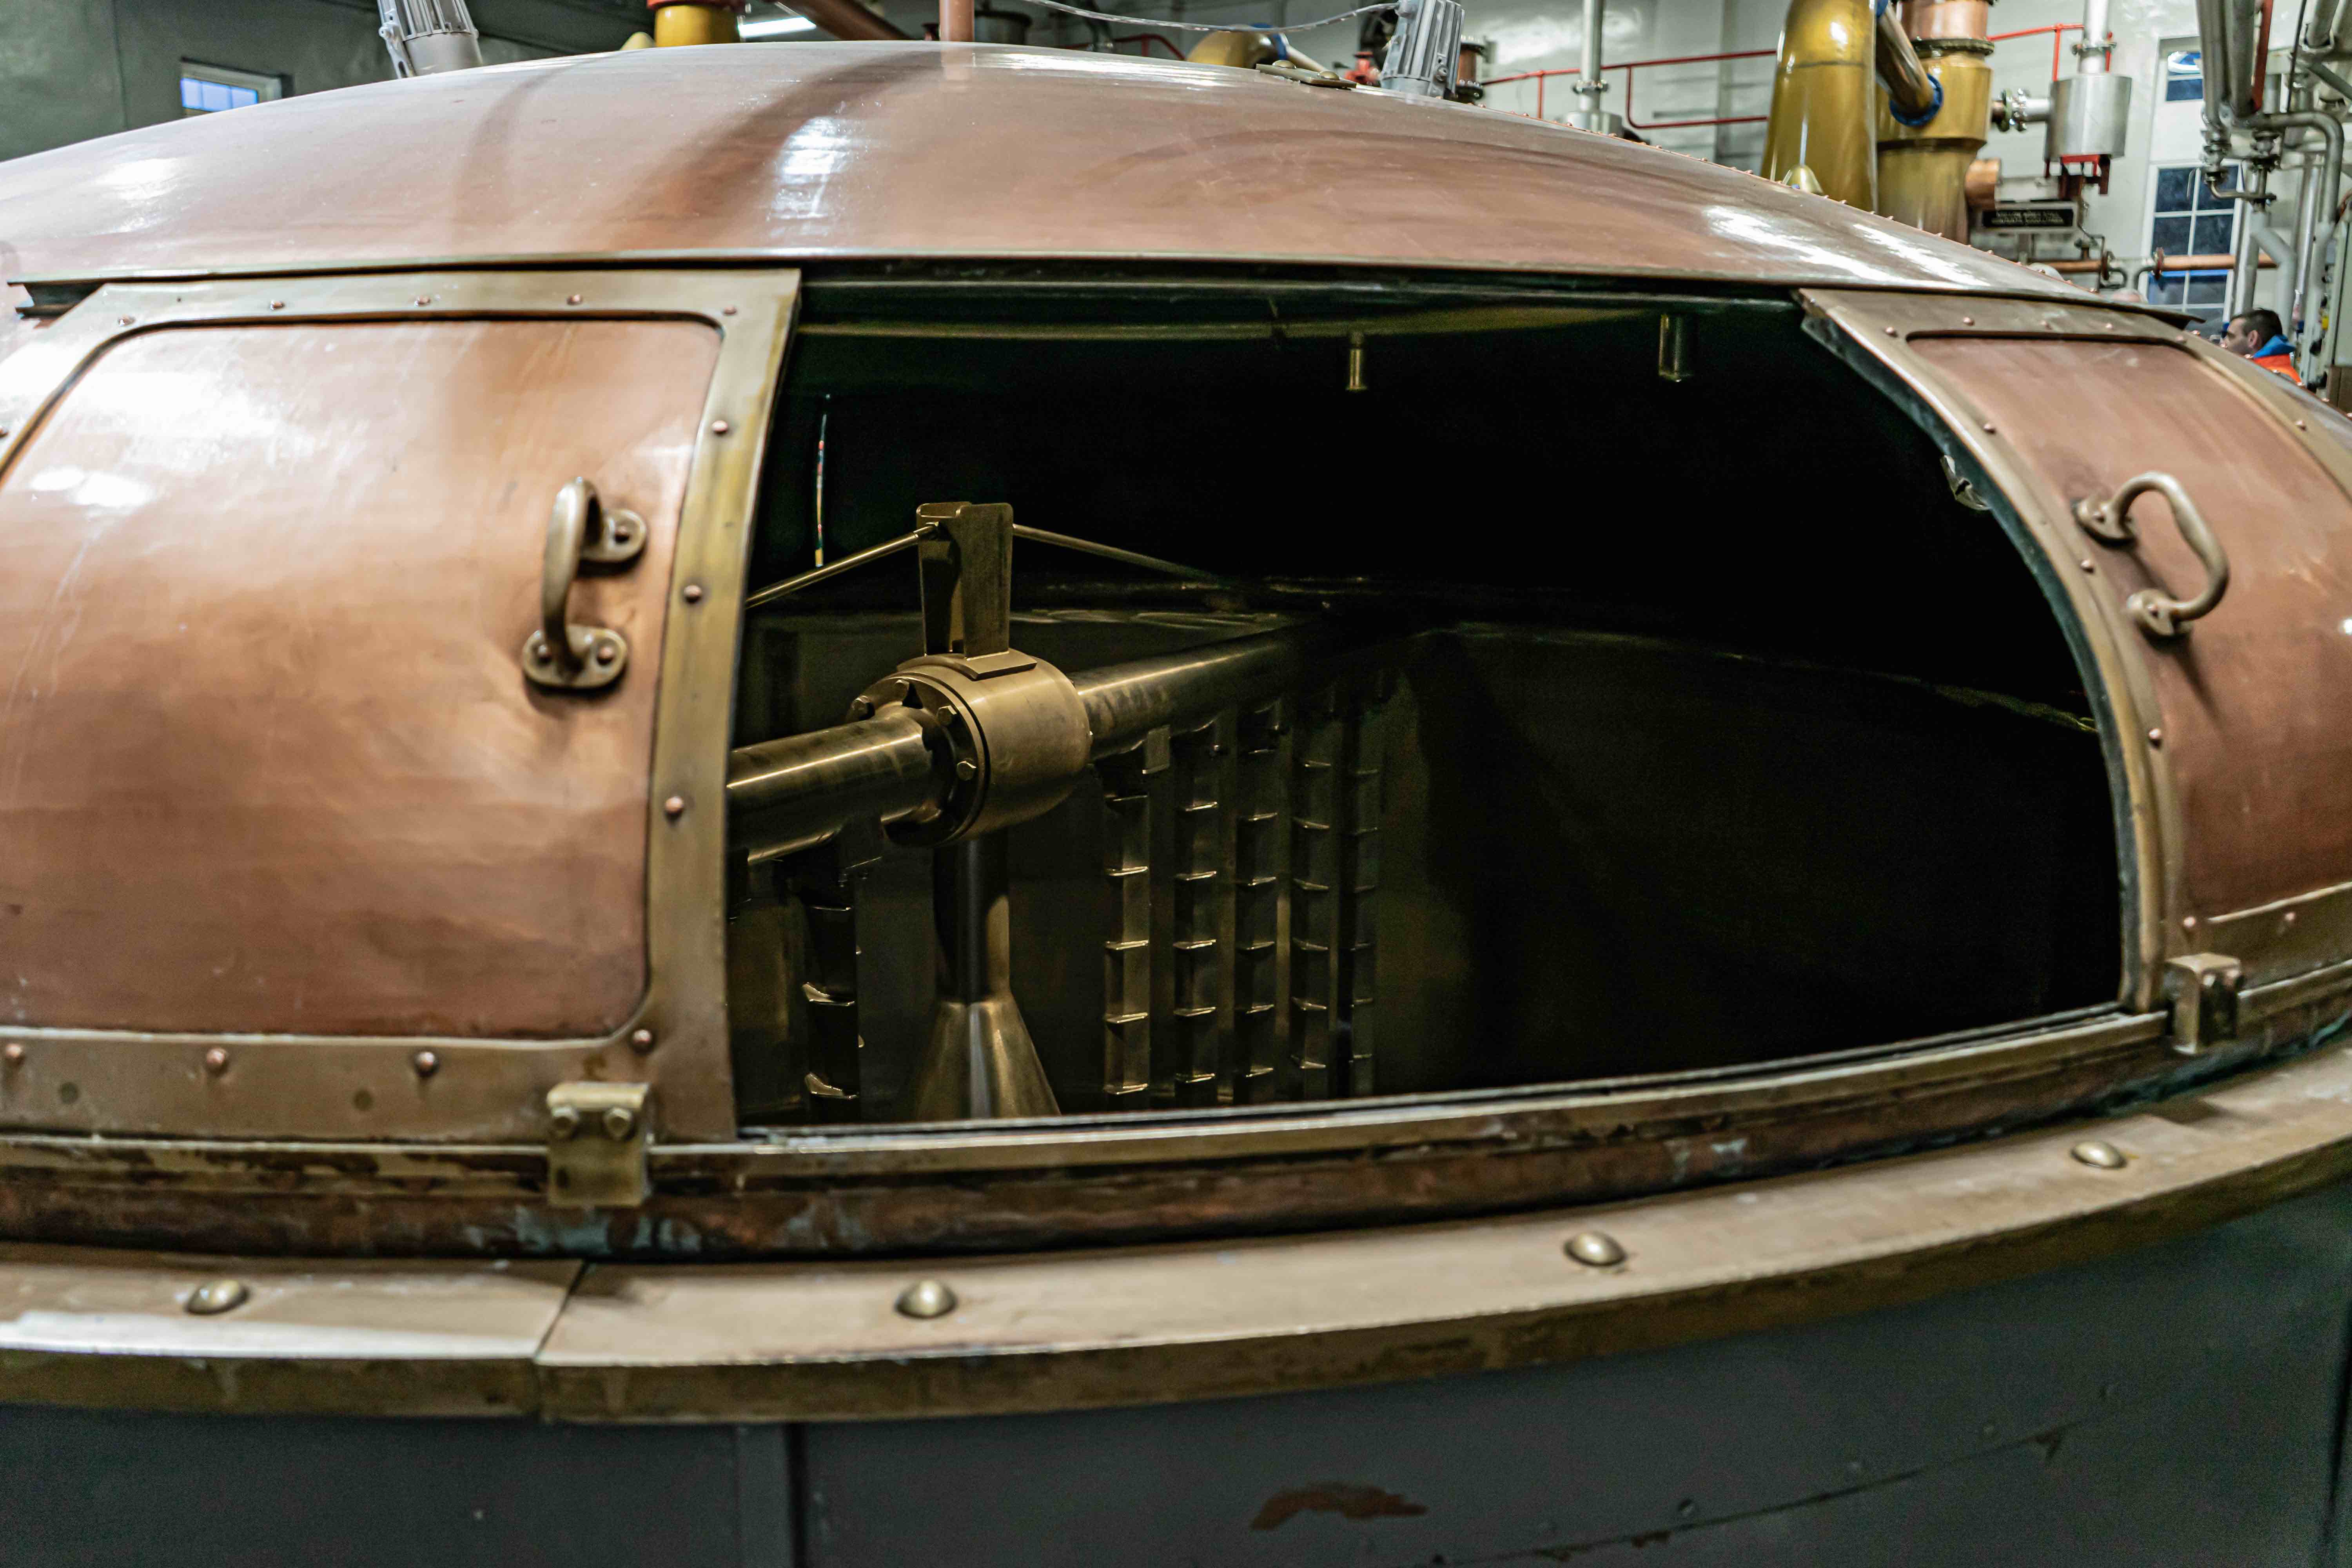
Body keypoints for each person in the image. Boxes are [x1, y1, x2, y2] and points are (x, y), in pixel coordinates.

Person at [2221, 309, 2302, 382]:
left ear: (2252, 339)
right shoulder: (2273, 373)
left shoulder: (2267, 380)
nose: (2223, 343)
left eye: (2231, 337)